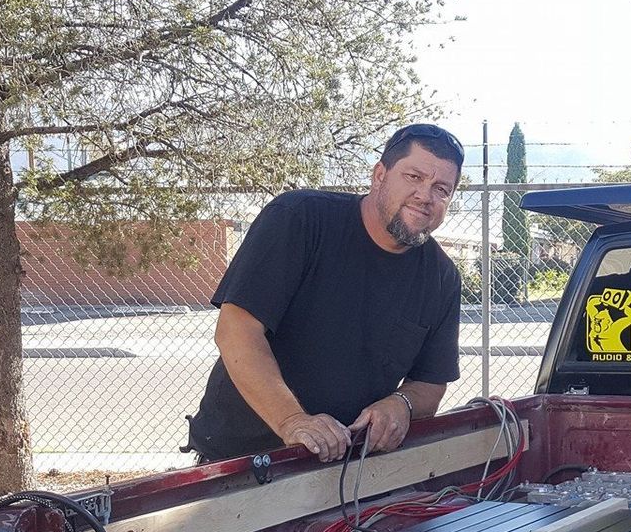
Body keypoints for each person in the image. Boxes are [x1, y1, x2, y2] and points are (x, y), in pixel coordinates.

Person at [186, 123, 466, 463]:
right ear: (379, 175)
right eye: (414, 177)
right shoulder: (301, 218)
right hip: (240, 464)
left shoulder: (442, 277)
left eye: (441, 189)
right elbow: (236, 330)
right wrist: (292, 421)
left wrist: (401, 403)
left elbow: (430, 383)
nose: (425, 196)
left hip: (351, 469)